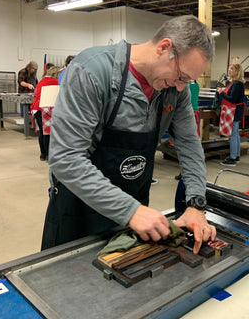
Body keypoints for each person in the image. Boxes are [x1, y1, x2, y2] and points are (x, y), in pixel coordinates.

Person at [41, 15, 216, 255]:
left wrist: (196, 204)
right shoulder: (92, 71)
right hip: (78, 212)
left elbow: (189, 145)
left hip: (134, 208)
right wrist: (131, 211)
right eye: (181, 77)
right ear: (164, 48)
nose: (180, 87)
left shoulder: (175, 91)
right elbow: (66, 158)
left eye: (188, 81)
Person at [217, 63, 245, 167]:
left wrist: (221, 93)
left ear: (237, 72)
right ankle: (236, 156)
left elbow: (232, 99)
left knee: (232, 135)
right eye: (229, 68)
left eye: (232, 69)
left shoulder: (237, 84)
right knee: (235, 134)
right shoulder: (234, 83)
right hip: (235, 111)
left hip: (234, 111)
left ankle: (232, 158)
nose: (229, 70)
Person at [31, 65, 61, 161]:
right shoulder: (55, 82)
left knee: (42, 133)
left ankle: (43, 154)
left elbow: (35, 94)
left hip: (36, 108)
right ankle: (49, 155)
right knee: (48, 133)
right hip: (44, 109)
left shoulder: (42, 81)